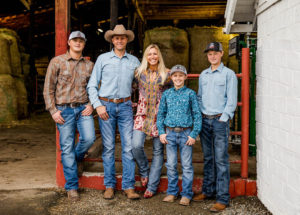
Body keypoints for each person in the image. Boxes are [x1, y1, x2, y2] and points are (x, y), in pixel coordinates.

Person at [87, 24, 140, 200]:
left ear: (126, 40)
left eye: (122, 37)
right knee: (108, 147)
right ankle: (109, 185)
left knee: (128, 147)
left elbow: (144, 82)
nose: (119, 40)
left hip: (125, 106)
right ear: (112, 40)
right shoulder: (102, 59)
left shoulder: (134, 61)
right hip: (106, 106)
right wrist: (97, 105)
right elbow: (92, 85)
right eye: (116, 38)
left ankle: (129, 186)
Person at [43, 31, 96, 202]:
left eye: (81, 40)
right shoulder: (56, 62)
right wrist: (53, 110)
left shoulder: (90, 65)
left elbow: (95, 88)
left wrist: (91, 104)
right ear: (69, 42)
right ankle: (72, 187)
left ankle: (77, 157)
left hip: (83, 108)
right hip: (63, 110)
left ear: (84, 43)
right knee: (66, 147)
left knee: (89, 138)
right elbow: (48, 88)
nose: (78, 43)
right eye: (75, 40)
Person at [194, 42, 237, 212]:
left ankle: (222, 198)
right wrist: (199, 116)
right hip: (204, 120)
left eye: (215, 53)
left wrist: (224, 118)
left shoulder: (229, 74)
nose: (212, 56)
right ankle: (208, 191)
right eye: (209, 53)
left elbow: (232, 99)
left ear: (221, 53)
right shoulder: (203, 75)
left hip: (219, 120)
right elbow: (199, 97)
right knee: (208, 158)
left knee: (220, 159)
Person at [157, 65, 202, 206]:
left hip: (186, 133)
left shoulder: (190, 94)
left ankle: (186, 194)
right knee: (170, 164)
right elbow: (161, 114)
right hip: (169, 133)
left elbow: (197, 115)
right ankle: (172, 192)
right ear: (171, 78)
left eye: (180, 75)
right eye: (175, 76)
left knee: (187, 165)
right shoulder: (167, 94)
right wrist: (161, 131)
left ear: (185, 77)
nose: (178, 78)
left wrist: (194, 134)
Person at [131, 44, 170, 198]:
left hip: (159, 116)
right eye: (149, 54)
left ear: (159, 56)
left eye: (155, 54)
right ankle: (144, 170)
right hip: (142, 114)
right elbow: (131, 90)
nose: (153, 57)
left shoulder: (167, 74)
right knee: (136, 145)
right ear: (145, 57)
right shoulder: (138, 73)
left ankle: (152, 186)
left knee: (158, 151)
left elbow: (175, 92)